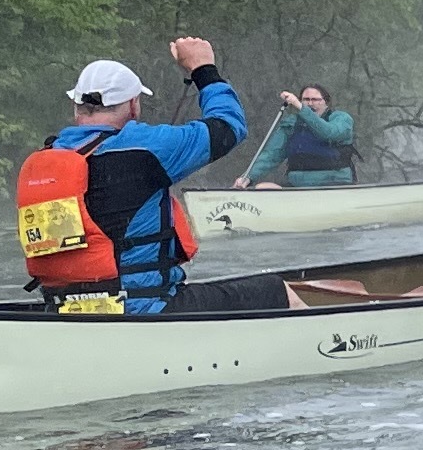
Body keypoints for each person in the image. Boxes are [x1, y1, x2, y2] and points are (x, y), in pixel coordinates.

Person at [17, 41, 251, 314]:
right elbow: (229, 126)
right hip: (144, 308)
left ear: (76, 106)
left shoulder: (45, 159)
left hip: (62, 310)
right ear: (133, 104)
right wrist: (203, 69)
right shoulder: (147, 148)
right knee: (279, 290)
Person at [236, 87, 358, 188]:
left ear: (326, 103)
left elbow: (329, 133)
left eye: (315, 100)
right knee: (262, 187)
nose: (310, 103)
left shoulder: (341, 119)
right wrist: (248, 177)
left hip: (336, 183)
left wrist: (300, 107)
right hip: (297, 185)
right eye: (306, 100)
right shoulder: (291, 124)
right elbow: (271, 155)